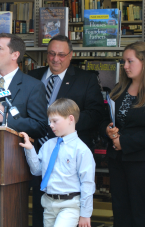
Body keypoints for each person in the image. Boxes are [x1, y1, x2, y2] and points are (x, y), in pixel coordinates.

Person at [27, 35, 104, 226]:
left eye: (61, 55)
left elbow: (95, 114)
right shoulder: (32, 77)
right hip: (35, 150)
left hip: (69, 156)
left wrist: (63, 127)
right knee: (39, 208)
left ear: (71, 55)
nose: (55, 59)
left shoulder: (86, 79)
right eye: (52, 54)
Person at [19, 98, 95, 227]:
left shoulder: (81, 150)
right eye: (50, 121)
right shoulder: (48, 145)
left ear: (71, 119)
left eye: (55, 121)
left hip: (70, 205)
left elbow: (87, 183)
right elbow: (37, 170)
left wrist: (85, 213)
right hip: (49, 203)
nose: (51, 125)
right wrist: (30, 150)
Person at [99, 41, 145, 227]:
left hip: (140, 162)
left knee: (140, 211)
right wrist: (108, 131)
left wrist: (124, 142)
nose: (125, 66)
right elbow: (103, 119)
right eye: (123, 61)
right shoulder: (119, 89)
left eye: (130, 61)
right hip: (117, 161)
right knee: (120, 209)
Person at [0, 33, 47, 139]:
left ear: (15, 55)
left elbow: (41, 128)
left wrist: (5, 118)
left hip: (14, 152)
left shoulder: (34, 86)